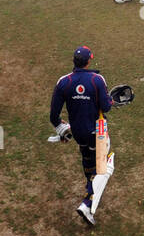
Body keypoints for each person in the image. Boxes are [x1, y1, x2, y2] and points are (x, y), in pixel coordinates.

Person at [48, 45, 113, 225]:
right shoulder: (97, 80)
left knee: (89, 162)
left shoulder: (63, 82)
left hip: (78, 132)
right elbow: (106, 106)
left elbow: (53, 116)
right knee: (106, 166)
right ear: (89, 61)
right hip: (97, 131)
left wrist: (62, 129)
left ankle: (89, 187)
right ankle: (87, 204)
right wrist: (110, 101)